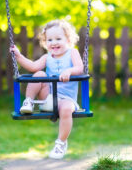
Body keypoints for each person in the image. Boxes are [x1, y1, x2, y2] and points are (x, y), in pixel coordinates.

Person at [10, 19, 84, 159]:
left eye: (58, 38)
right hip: (48, 98)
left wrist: (69, 71)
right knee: (39, 74)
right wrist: (19, 57)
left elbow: (79, 68)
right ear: (45, 42)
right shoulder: (47, 57)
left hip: (66, 99)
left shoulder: (72, 53)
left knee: (67, 109)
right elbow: (32, 67)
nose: (54, 42)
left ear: (68, 40)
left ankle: (61, 143)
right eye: (49, 39)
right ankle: (29, 102)